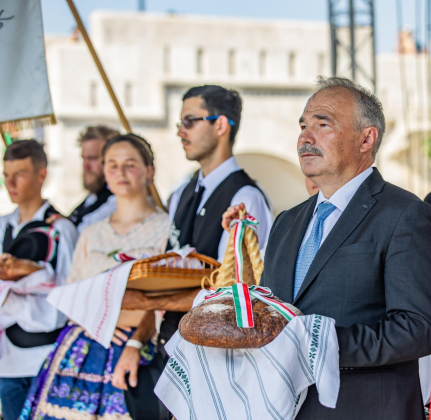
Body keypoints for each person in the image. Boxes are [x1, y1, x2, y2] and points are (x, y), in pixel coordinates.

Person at [223, 76, 431, 419]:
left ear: (367, 138)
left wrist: (319, 345)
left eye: (323, 125)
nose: (305, 138)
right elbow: (274, 316)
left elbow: (417, 329)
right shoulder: (287, 222)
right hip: (282, 408)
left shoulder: (406, 214)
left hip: (364, 409)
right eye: (303, 126)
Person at [19, 134, 170, 420]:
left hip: (138, 349)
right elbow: (69, 293)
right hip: (81, 349)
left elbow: (166, 298)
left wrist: (134, 339)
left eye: (130, 164)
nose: (120, 173)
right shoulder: (90, 233)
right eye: (112, 165)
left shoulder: (166, 229)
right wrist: (94, 319)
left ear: (149, 171)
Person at [121, 85, 273, 361]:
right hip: (169, 345)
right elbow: (170, 269)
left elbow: (230, 291)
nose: (181, 131)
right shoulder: (181, 193)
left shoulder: (245, 197)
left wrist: (144, 300)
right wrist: (135, 341)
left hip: (214, 353)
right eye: (181, 123)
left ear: (221, 126)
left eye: (190, 121)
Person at [0, 140, 78, 420]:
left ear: (41, 174)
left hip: (45, 356)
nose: (11, 182)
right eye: (6, 174)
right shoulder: (2, 225)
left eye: (19, 174)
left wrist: (12, 294)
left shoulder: (61, 229)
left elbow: (67, 293)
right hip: (6, 361)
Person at [68, 126, 120, 233]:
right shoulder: (91, 198)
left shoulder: (117, 203)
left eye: (92, 158)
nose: (86, 166)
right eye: (84, 159)